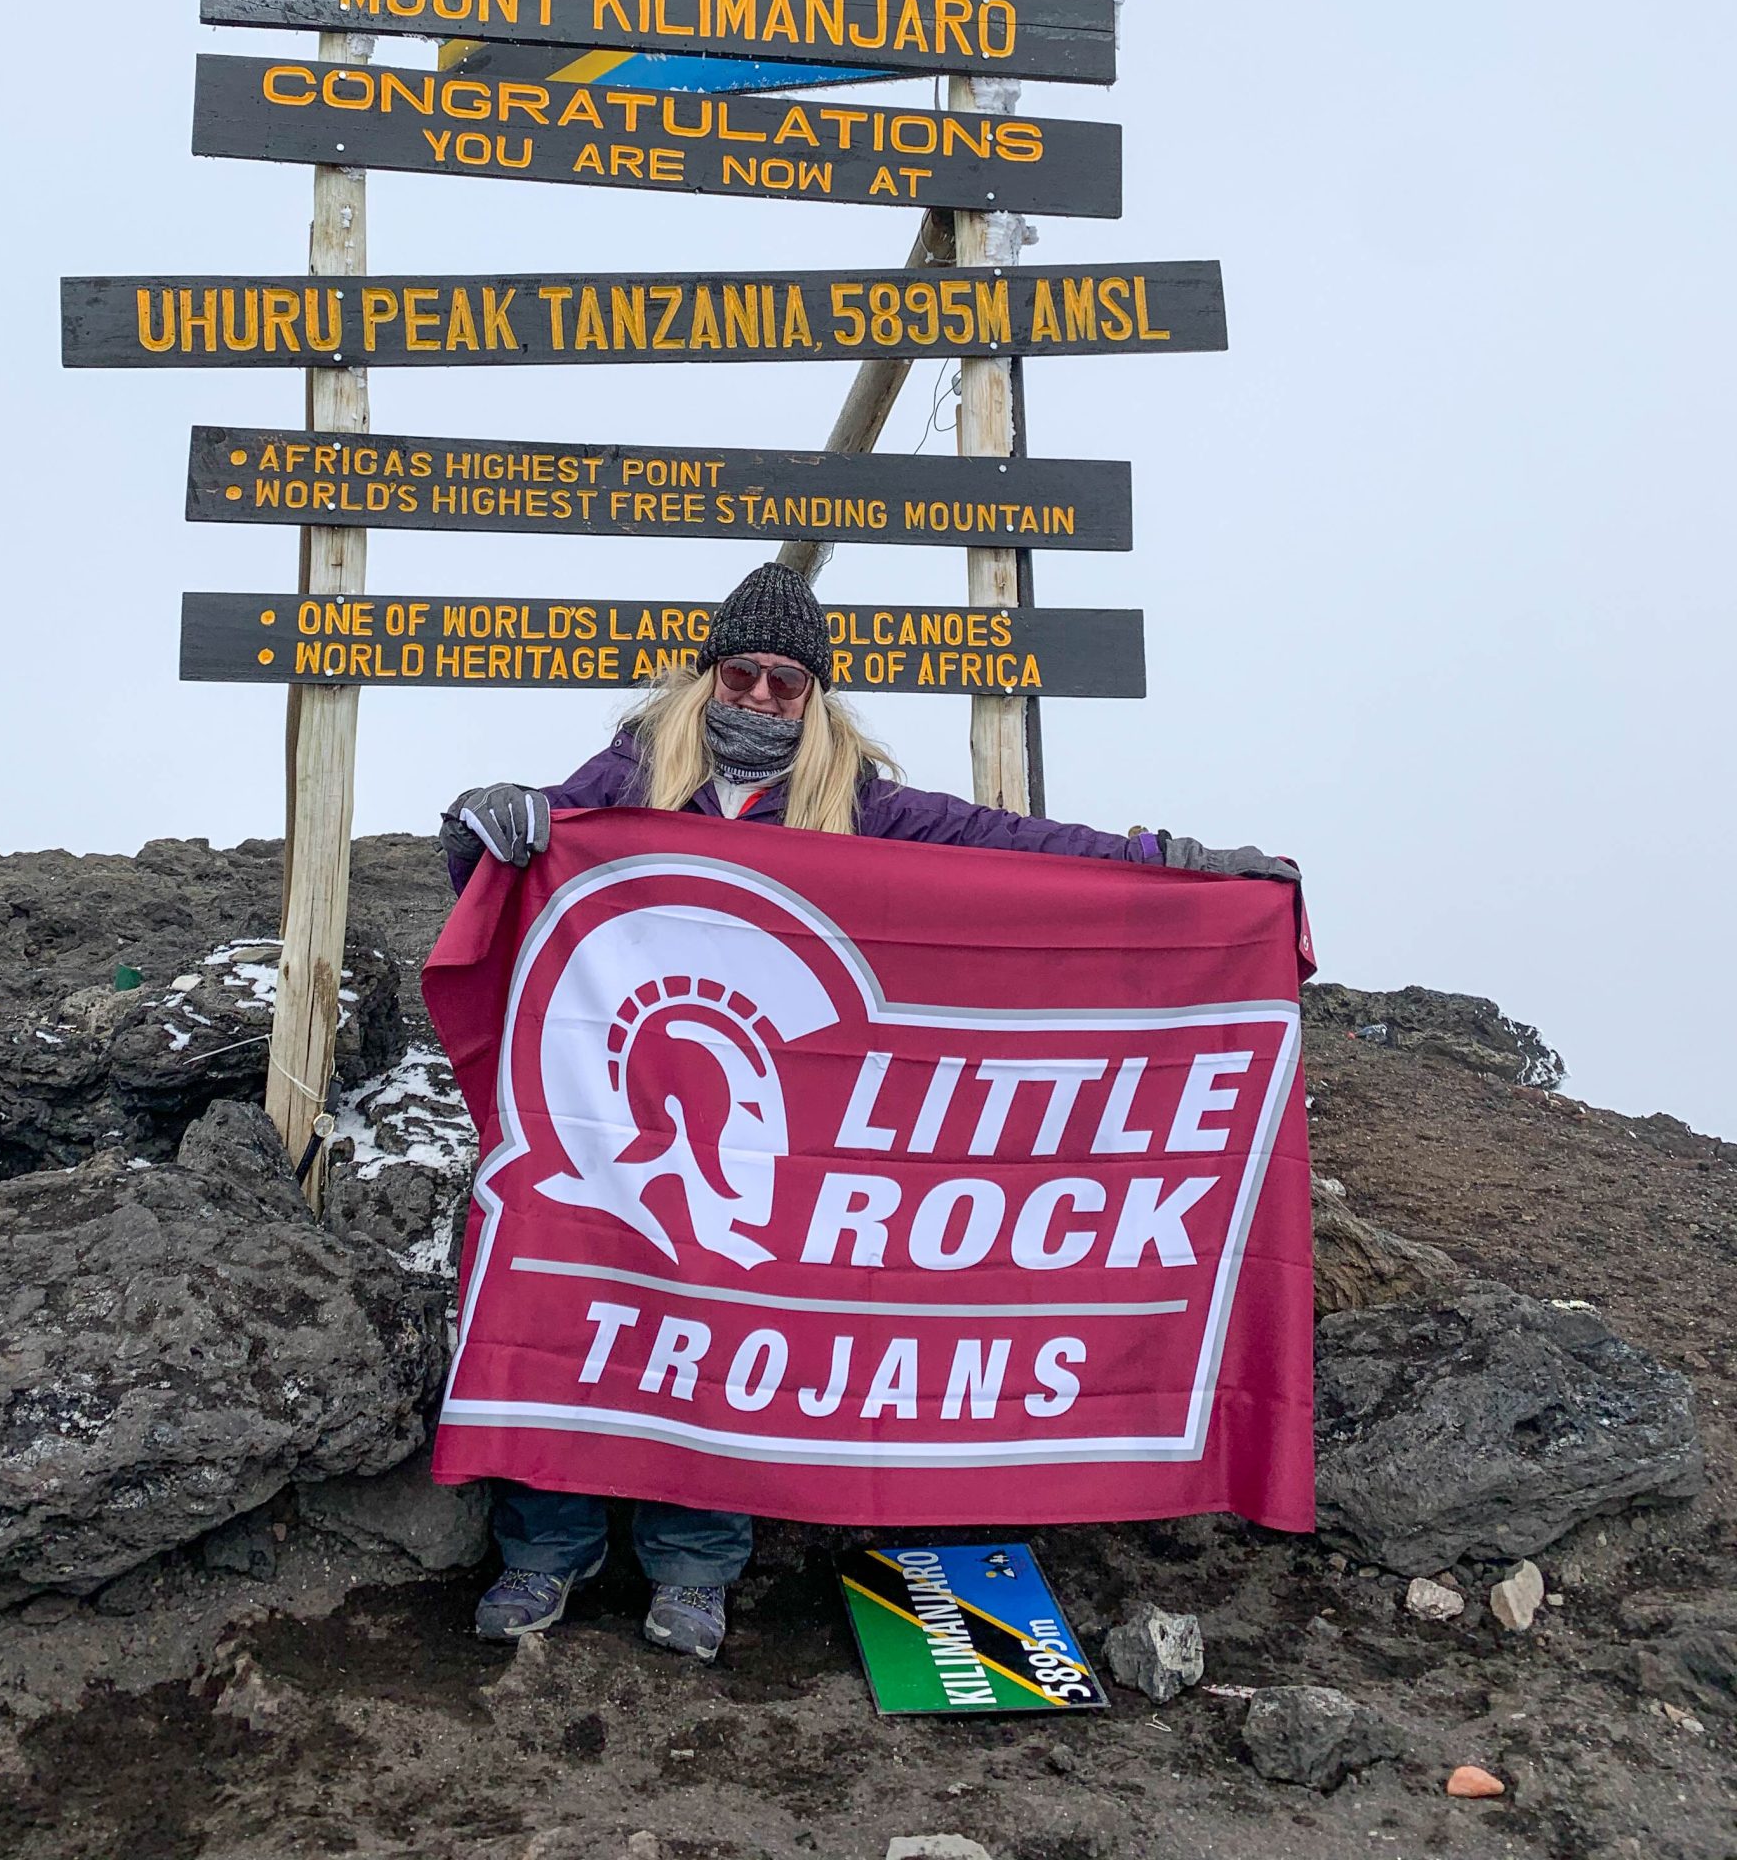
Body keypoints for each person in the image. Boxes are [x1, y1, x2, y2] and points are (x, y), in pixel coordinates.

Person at [438, 562, 1296, 1664]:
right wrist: (484, 821)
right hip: (607, 1110)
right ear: (707, 677)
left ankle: (697, 1564)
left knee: (727, 1322)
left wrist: (1162, 864)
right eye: (738, 672)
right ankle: (545, 1544)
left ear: (815, 695)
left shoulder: (861, 804)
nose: (756, 696)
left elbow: (1006, 852)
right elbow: (505, 871)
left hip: (771, 1132)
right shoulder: (625, 782)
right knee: (574, 1302)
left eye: (783, 681)